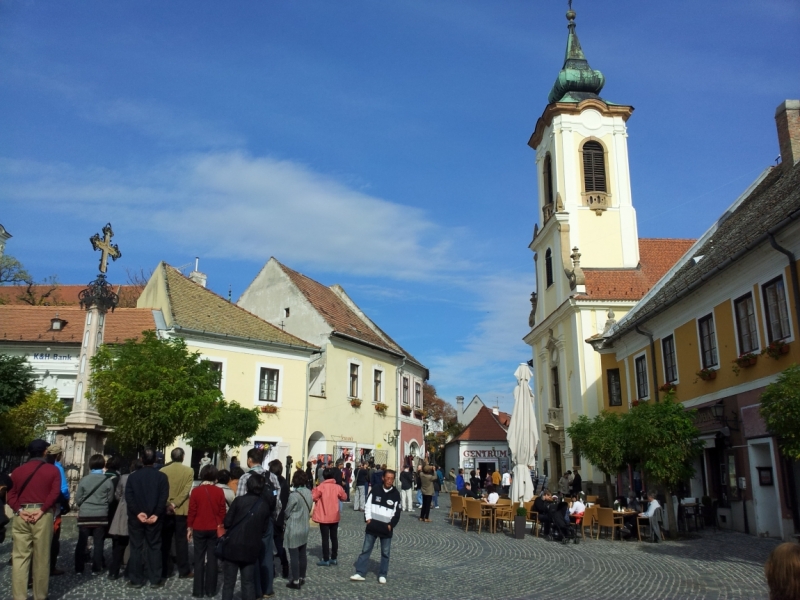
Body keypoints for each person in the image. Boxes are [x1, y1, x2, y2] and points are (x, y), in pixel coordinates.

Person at [7, 439, 61, 600]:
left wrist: (19, 510)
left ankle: (19, 596)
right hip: (42, 515)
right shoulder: (52, 471)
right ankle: (40, 596)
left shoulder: (17, 471)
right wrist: (42, 510)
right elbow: (54, 493)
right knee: (41, 557)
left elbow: (11, 494)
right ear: (45, 451)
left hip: (22, 515)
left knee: (20, 557)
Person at [236, 447, 281, 599]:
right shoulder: (272, 477)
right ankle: (267, 588)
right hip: (266, 518)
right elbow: (277, 501)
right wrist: (273, 516)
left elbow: (240, 501)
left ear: (249, 460)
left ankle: (255, 589)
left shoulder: (244, 478)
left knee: (251, 554)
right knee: (267, 552)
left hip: (249, 521)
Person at [221, 473, 272, 600]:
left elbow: (227, 523)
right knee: (248, 582)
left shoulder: (239, 501)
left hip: (233, 545)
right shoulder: (264, 506)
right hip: (251, 547)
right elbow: (264, 530)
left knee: (228, 583)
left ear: (248, 485)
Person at [126, 447, 170, 589]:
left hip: (136, 517)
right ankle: (155, 579)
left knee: (136, 547)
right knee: (154, 547)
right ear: (156, 460)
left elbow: (129, 497)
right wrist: (156, 514)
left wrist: (138, 512)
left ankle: (136, 579)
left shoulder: (133, 476)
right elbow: (163, 497)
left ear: (142, 459)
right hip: (154, 517)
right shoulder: (162, 477)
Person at [350, 469, 401, 584]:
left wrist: (391, 525)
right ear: (383, 478)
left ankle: (383, 574)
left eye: (391, 479)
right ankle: (360, 572)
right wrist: (368, 519)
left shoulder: (396, 494)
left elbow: (397, 513)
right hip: (372, 527)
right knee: (365, 550)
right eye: (387, 478)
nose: (389, 481)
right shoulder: (376, 489)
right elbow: (367, 504)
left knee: (385, 553)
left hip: (386, 529)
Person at [74, 453, 117, 574]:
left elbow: (78, 499)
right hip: (101, 515)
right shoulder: (107, 481)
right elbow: (110, 499)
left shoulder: (84, 480)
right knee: (99, 542)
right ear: (103, 465)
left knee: (82, 542)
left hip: (85, 514)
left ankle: (79, 568)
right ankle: (96, 568)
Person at [188, 464, 226, 598]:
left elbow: (192, 511)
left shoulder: (196, 491)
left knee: (198, 559)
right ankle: (210, 590)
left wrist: (189, 527)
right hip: (213, 528)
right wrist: (220, 523)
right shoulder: (219, 491)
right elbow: (222, 511)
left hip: (199, 527)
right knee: (212, 559)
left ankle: (198, 590)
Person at [160, 447, 194, 580]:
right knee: (181, 541)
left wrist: (168, 504)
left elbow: (161, 490)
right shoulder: (189, 470)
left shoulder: (163, 470)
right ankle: (183, 570)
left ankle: (165, 569)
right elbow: (186, 491)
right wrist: (175, 504)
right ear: (183, 457)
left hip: (166, 509)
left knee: (165, 541)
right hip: (181, 510)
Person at [108, 460, 139, 581]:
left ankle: (113, 571)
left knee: (120, 544)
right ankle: (129, 571)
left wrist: (123, 501)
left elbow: (117, 494)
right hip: (138, 511)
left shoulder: (124, 477)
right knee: (136, 544)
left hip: (124, 510)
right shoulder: (140, 478)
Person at [284, 471, 312, 590]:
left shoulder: (294, 495)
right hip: (304, 526)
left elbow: (286, 511)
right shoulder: (309, 492)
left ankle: (295, 581)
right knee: (302, 553)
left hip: (294, 527)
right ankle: (302, 577)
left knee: (294, 555)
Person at [312, 467, 347, 566]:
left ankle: (326, 558)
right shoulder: (337, 487)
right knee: (334, 537)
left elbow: (313, 497)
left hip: (324, 515)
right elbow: (344, 497)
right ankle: (334, 557)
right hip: (334, 515)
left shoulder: (321, 487)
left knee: (325, 538)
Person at [45, 443, 69, 577]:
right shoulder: (57, 468)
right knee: (53, 537)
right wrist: (66, 501)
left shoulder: (42, 466)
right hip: (54, 507)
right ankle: (50, 566)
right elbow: (63, 489)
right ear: (58, 455)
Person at [269, 459, 290, 580]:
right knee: (279, 544)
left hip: (273, 516)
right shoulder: (284, 483)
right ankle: (285, 564)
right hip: (280, 518)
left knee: (270, 544)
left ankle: (271, 568)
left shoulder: (272, 482)